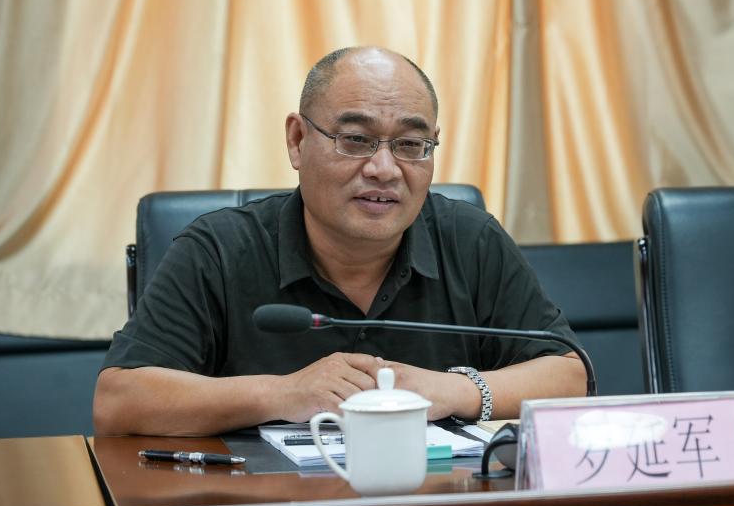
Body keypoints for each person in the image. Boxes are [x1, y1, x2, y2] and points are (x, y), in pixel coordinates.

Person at [93, 46, 586, 436]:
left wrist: (451, 390)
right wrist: (283, 394)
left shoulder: (470, 239)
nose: (384, 169)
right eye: (355, 139)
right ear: (297, 141)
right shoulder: (219, 249)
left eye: (410, 145)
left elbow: (569, 376)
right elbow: (118, 401)